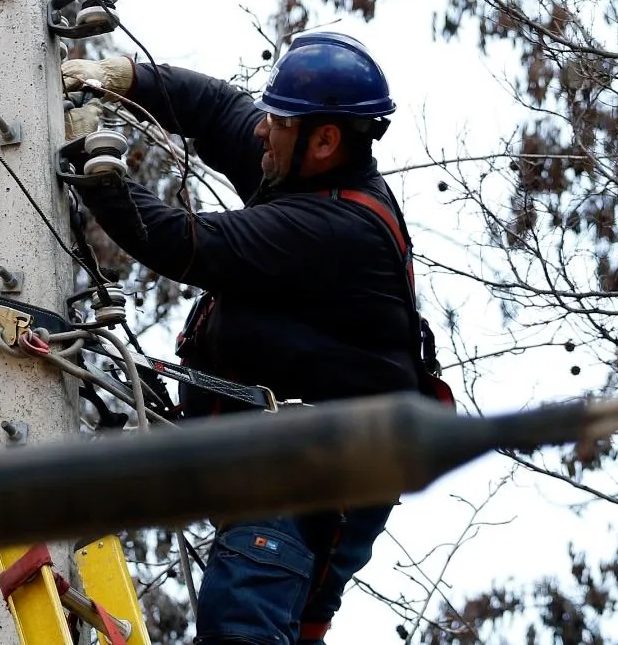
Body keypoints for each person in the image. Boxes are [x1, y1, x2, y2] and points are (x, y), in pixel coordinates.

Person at [62, 32, 422, 645]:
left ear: (325, 139)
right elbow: (219, 110)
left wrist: (96, 172)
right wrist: (124, 78)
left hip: (304, 487)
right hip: (277, 468)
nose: (262, 131)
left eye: (277, 122)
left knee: (240, 625)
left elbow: (187, 243)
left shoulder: (338, 228)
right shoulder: (300, 168)